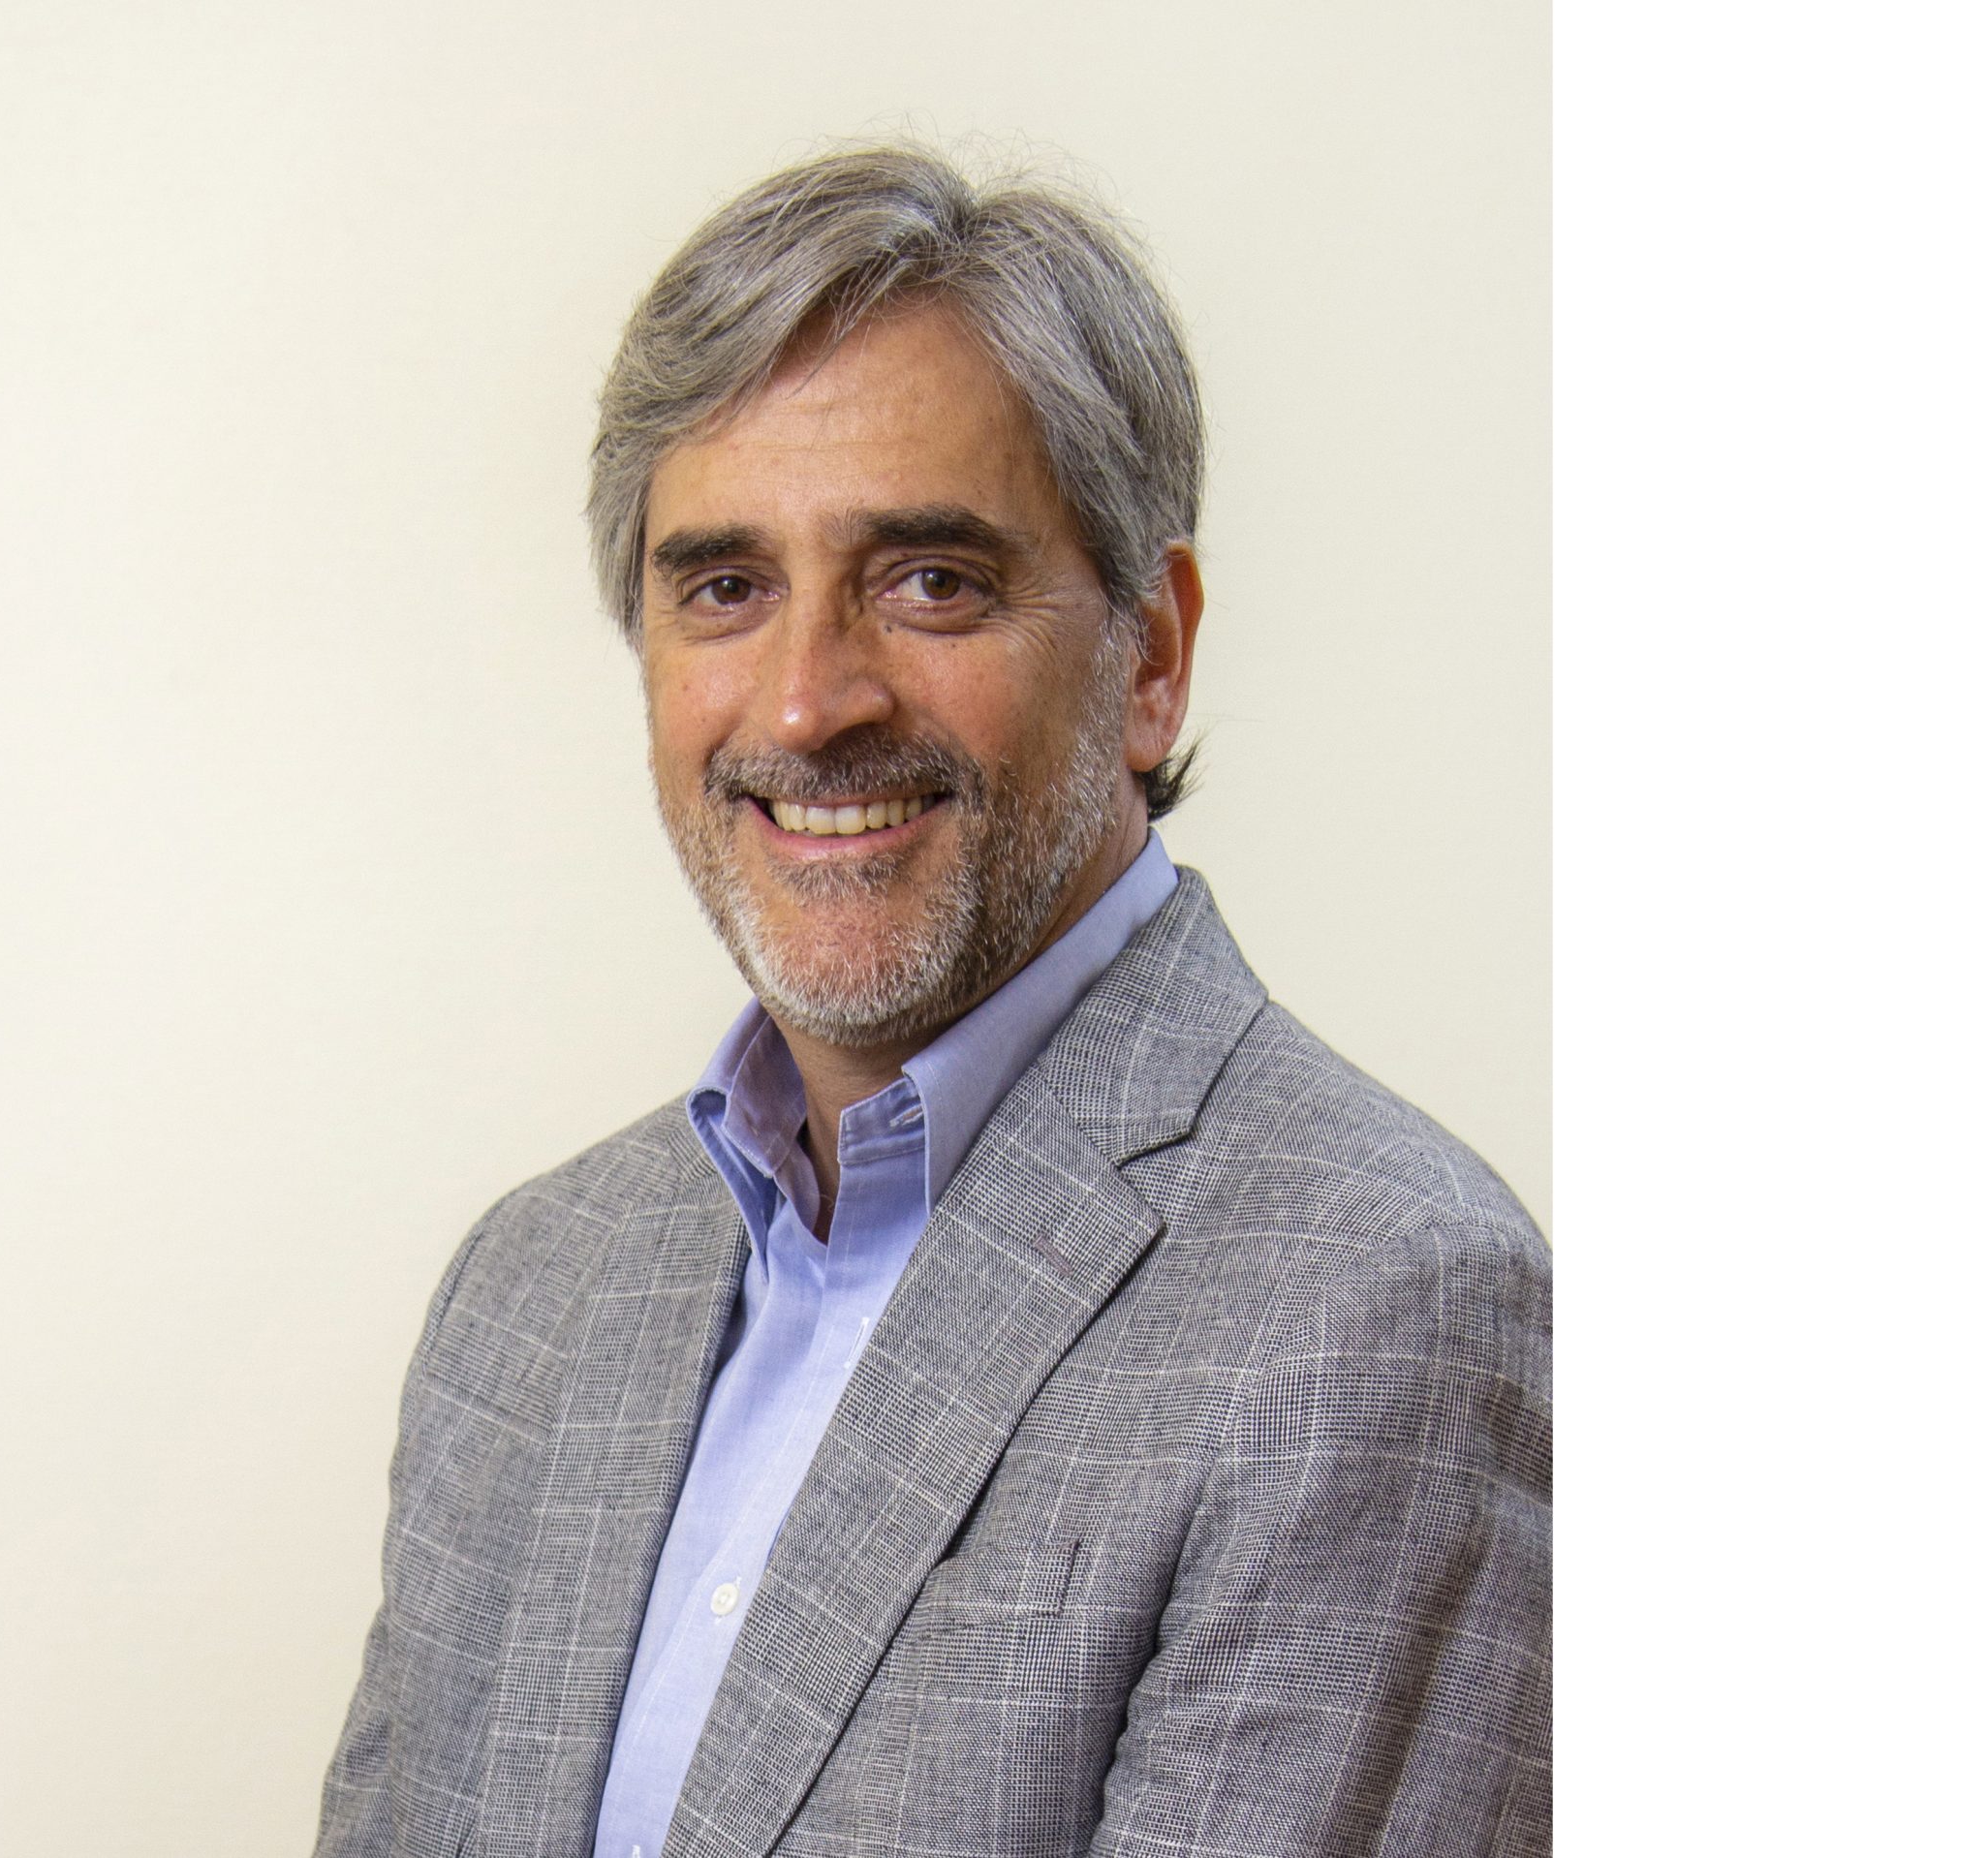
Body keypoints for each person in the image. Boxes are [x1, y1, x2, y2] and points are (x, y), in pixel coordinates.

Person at [314, 141, 1549, 1858]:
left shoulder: (1376, 1313)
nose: (806, 703)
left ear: (1151, 653)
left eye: (929, 581)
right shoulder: (531, 1295)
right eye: (726, 588)